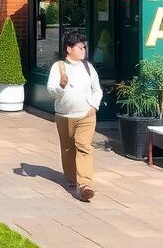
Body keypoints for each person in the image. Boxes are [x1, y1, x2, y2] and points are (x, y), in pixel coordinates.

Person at [47, 30, 102, 203]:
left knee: (84, 146)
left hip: (86, 114)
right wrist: (61, 86)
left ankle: (85, 185)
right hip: (64, 115)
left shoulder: (88, 67)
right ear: (69, 48)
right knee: (68, 148)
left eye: (84, 47)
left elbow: (97, 89)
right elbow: (51, 91)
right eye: (80, 47)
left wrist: (94, 106)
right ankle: (71, 177)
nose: (84, 50)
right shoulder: (59, 67)